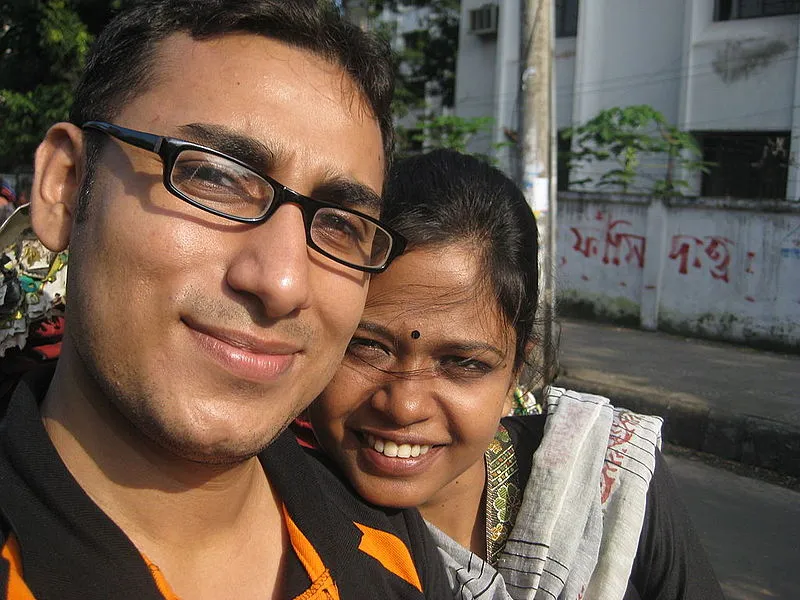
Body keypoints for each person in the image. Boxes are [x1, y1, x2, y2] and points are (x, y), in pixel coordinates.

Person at [0, 2, 452, 598]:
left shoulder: (391, 550)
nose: (282, 282)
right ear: (66, 187)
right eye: (213, 177)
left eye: (341, 224)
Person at [306, 149, 726, 600]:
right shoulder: (274, 512)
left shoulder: (606, 482)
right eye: (367, 346)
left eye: (463, 363)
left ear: (514, 377)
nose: (404, 405)